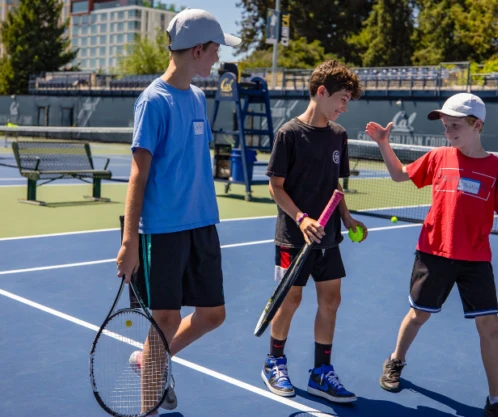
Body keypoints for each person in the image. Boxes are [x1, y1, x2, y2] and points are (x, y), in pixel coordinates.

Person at [364, 93, 498, 417]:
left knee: (490, 326)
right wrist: (383, 144)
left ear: (477, 125)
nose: (448, 132)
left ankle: (496, 401)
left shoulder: (496, 168)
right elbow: (400, 174)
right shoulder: (438, 157)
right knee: (418, 315)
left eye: (454, 126)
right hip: (433, 254)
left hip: (476, 261)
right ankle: (395, 360)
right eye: (445, 126)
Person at [115, 9, 241, 417]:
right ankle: (148, 406)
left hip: (202, 224)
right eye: (215, 52)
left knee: (212, 315)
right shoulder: (153, 101)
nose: (217, 60)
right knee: (164, 320)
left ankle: (149, 359)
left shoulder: (198, 98)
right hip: (163, 231)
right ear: (199, 50)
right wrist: (129, 242)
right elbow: (138, 174)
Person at [262, 60, 367, 404]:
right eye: (341, 98)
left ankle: (321, 373)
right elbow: (275, 187)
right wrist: (302, 218)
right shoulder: (289, 134)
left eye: (348, 101)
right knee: (291, 300)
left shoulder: (338, 135)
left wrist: (348, 219)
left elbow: (333, 184)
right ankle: (274, 361)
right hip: (293, 237)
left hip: (330, 238)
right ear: (321, 92)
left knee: (331, 301)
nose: (344, 106)